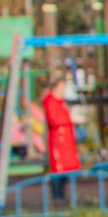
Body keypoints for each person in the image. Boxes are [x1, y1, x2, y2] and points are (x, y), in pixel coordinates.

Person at [40, 75, 82, 208]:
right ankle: (57, 197)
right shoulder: (50, 102)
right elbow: (54, 120)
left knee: (65, 171)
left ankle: (62, 197)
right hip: (58, 142)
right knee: (58, 170)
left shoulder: (60, 102)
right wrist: (70, 118)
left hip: (66, 142)